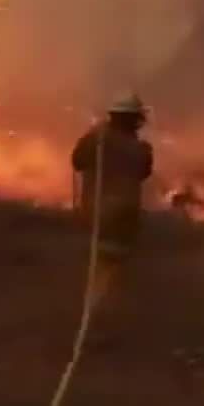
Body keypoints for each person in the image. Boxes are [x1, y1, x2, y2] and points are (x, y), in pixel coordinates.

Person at [71, 93, 154, 306]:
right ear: (134, 119)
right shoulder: (140, 149)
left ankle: (95, 307)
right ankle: (99, 310)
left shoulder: (96, 140)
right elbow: (144, 173)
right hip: (122, 216)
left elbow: (77, 162)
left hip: (95, 211)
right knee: (111, 268)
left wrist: (94, 137)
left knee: (98, 263)